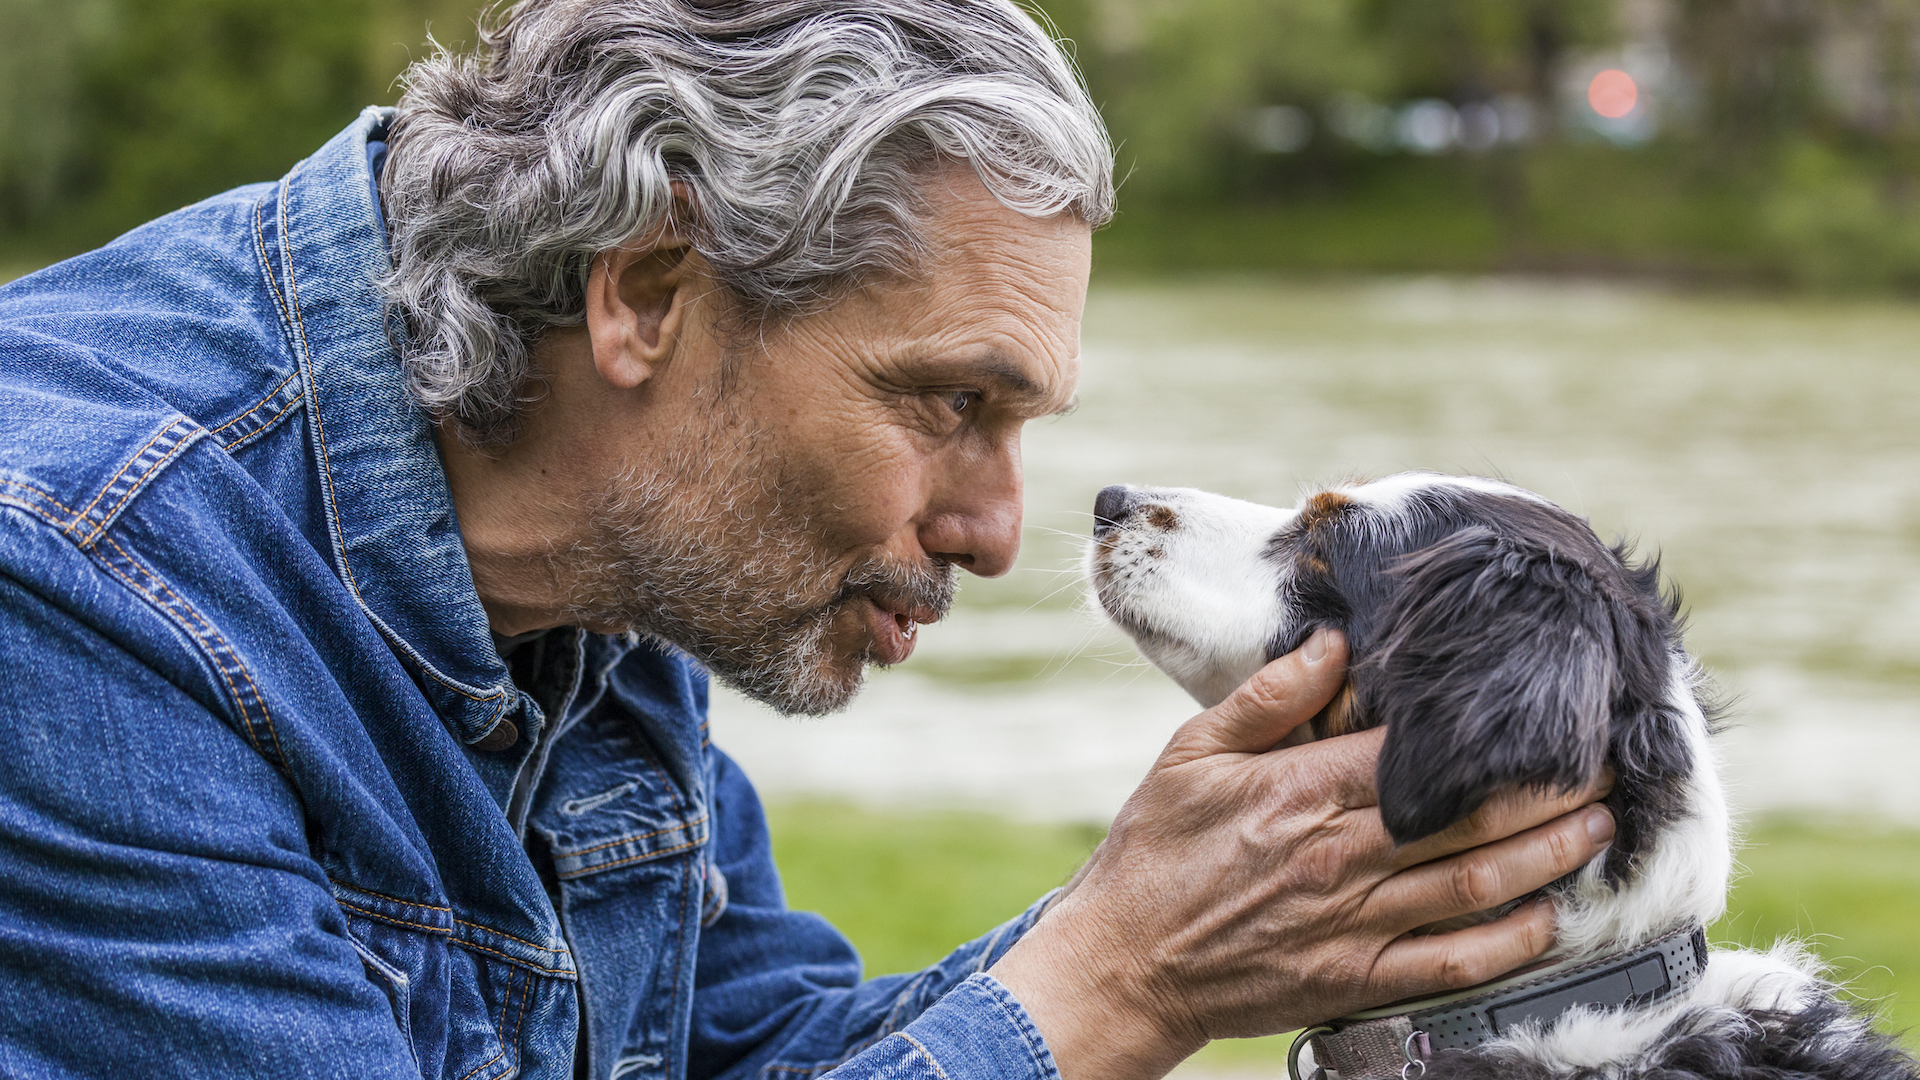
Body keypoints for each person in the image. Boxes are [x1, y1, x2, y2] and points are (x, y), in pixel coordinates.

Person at [0, 2, 1615, 1077]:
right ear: (645, 294)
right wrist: (1121, 978)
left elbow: (763, 1049)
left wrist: (1186, 917)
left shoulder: (586, 516)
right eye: (947, 403)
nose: (995, 535)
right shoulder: (72, 591)